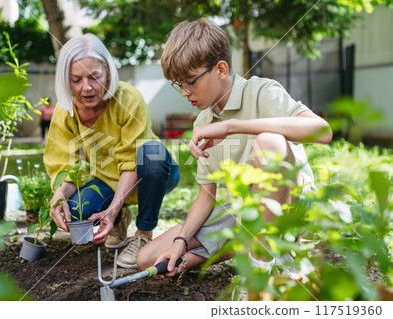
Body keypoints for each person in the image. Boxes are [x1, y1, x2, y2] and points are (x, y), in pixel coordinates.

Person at [137, 18, 332, 275]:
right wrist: (181, 242)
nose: (184, 92)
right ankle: (247, 246)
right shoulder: (204, 122)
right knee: (148, 258)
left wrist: (231, 126)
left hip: (291, 207)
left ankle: (261, 268)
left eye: (190, 81)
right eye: (179, 84)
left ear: (220, 69)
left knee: (269, 142)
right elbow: (207, 195)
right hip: (245, 213)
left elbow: (322, 131)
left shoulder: (262, 91)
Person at [43, 33, 180, 268]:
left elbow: (131, 162)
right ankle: (118, 218)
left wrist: (111, 209)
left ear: (108, 71)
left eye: (94, 77)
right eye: (76, 79)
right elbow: (64, 163)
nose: (86, 88)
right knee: (74, 212)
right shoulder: (65, 111)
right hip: (106, 179)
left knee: (152, 152)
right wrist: (58, 196)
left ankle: (143, 234)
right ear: (65, 79)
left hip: (151, 173)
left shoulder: (128, 98)